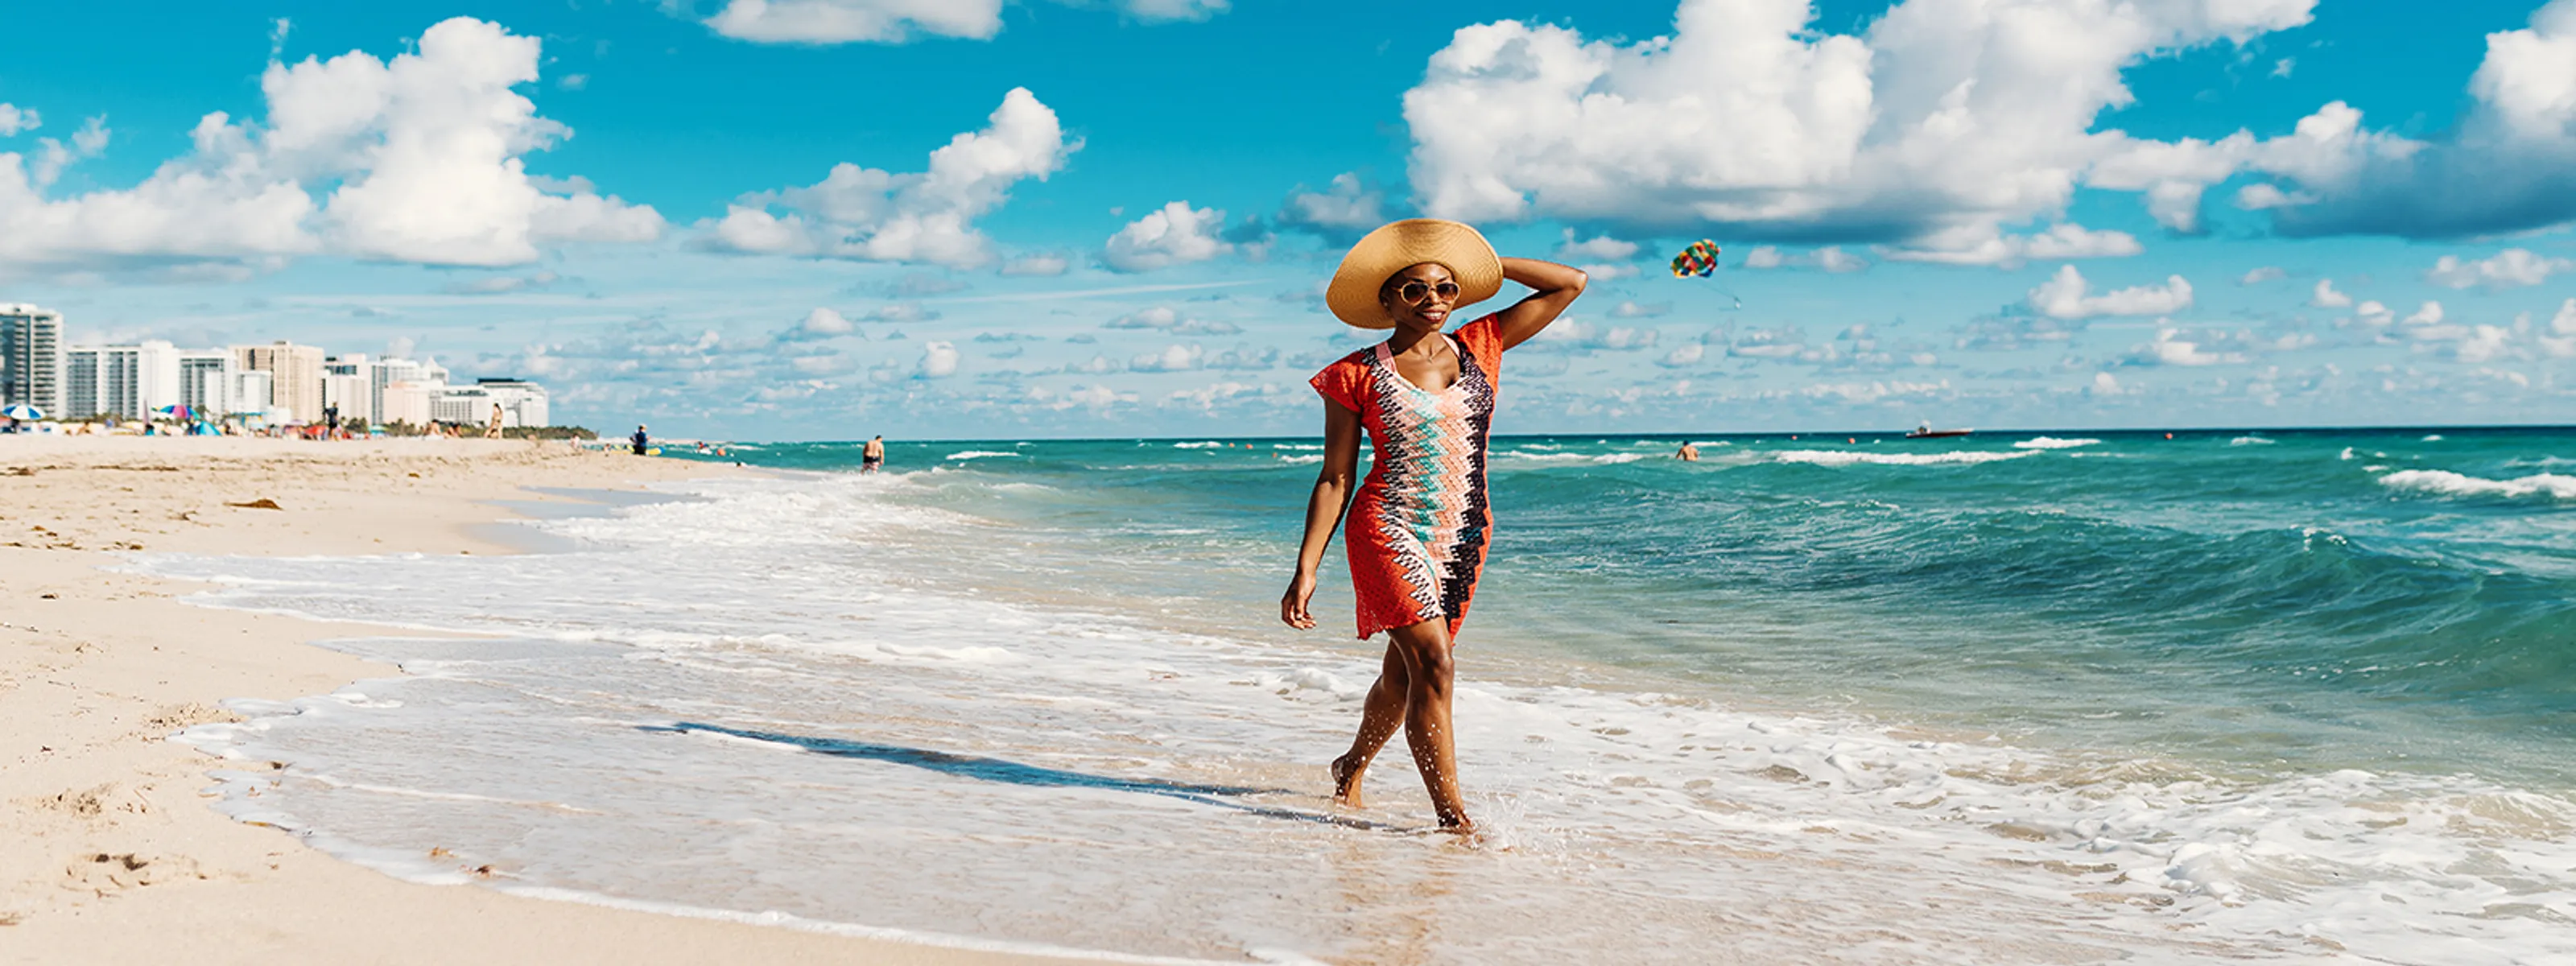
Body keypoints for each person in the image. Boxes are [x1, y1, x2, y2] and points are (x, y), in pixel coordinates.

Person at [1279, 219, 1585, 833]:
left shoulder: (1482, 344)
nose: (1434, 300)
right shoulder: (1353, 374)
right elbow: (1335, 477)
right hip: (1385, 525)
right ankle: (1454, 819)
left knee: (1405, 674)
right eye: (1415, 289)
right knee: (1436, 664)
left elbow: (1568, 283)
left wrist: (1485, 265)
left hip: (1462, 533)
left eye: (1446, 288)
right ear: (1387, 300)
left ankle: (1350, 765)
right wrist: (1306, 567)